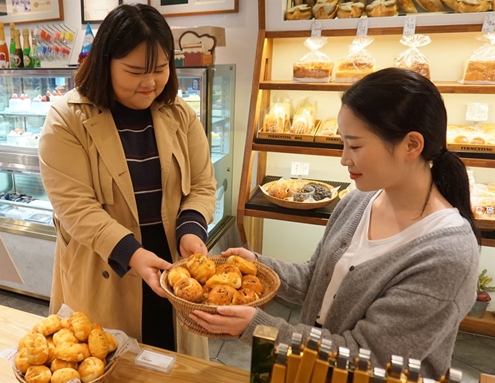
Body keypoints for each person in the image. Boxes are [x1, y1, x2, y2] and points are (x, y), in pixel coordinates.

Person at [190, 68, 480, 378]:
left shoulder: (447, 255)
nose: (343, 158)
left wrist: (260, 327)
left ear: (412, 145)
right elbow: (318, 278)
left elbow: (368, 357)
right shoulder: (359, 201)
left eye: (354, 146)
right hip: (311, 369)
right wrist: (259, 266)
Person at [38, 3, 216, 358]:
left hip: (172, 263)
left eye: (161, 69)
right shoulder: (66, 119)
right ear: (105, 64)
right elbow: (75, 207)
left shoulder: (179, 114)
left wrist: (192, 228)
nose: (150, 82)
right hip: (107, 262)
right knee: (110, 362)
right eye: (135, 71)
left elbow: (201, 184)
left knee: (175, 362)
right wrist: (131, 253)